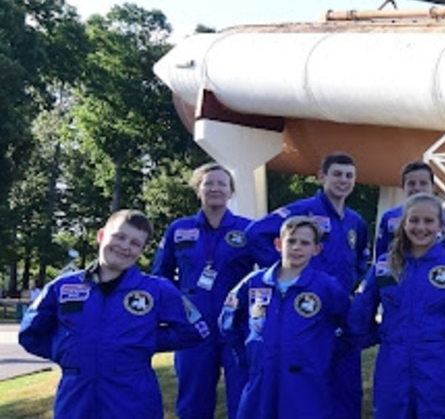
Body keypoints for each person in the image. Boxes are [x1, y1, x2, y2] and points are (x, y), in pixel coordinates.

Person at [20, 210, 211, 419]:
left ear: (141, 251)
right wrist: (69, 350)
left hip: (133, 399)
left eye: (135, 243)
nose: (125, 246)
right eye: (119, 237)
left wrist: (145, 340)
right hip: (76, 398)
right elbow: (31, 333)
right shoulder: (63, 287)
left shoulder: (157, 290)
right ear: (101, 236)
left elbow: (196, 330)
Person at [244, 150, 369, 419]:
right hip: (303, 309)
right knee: (306, 383)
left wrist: (351, 281)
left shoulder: (355, 221)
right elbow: (254, 233)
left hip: (337, 306)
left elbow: (360, 258)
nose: (343, 181)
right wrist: (292, 270)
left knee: (345, 380)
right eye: (337, 174)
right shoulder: (302, 211)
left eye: (349, 176)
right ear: (321, 176)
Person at [349, 193, 445, 419]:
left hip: (440, 364)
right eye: (414, 220)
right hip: (393, 362)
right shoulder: (385, 266)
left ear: (440, 225)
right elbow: (360, 309)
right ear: (404, 223)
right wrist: (377, 336)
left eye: (428, 221)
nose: (420, 227)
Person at [152, 163, 256, 419]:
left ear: (231, 192)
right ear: (198, 190)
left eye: (222, 183)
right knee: (193, 401)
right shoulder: (179, 229)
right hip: (194, 328)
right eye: (208, 183)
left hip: (237, 327)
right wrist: (177, 311)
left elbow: (271, 273)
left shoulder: (248, 230)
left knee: (243, 397)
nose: (215, 188)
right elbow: (160, 276)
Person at [221, 216, 350, 419]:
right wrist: (245, 354)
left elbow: (348, 325)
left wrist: (323, 354)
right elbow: (228, 320)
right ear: (279, 244)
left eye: (305, 243)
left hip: (306, 379)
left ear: (316, 250)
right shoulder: (254, 282)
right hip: (261, 378)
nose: (297, 247)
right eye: (291, 241)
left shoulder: (326, 287)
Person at [374, 159, 445, 258]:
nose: (417, 188)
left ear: (433, 187)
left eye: (423, 183)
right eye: (411, 183)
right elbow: (381, 255)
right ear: (403, 187)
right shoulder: (389, 218)